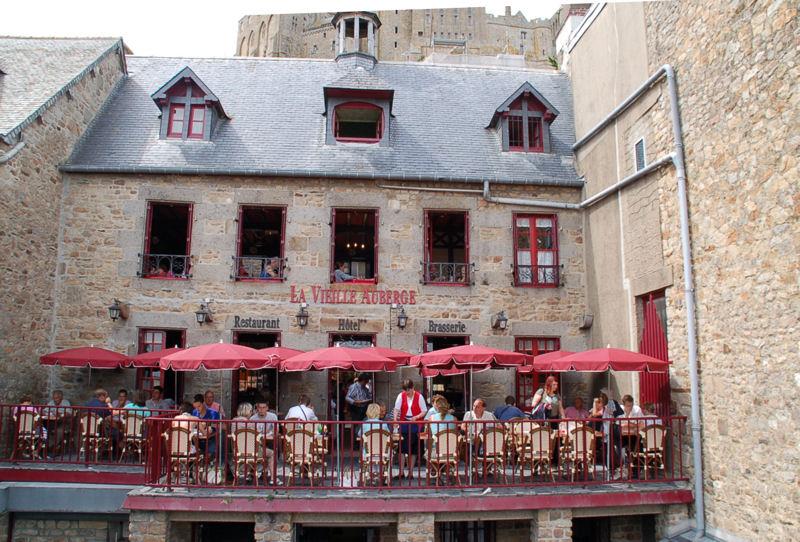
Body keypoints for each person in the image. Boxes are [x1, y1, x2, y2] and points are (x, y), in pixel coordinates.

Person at [393, 379, 427, 479]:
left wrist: (416, 417)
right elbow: (396, 409)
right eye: (405, 390)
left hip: (416, 424)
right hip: (404, 423)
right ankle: (401, 472)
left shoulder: (419, 396)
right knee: (401, 448)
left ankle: (411, 473)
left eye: (408, 390)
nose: (407, 392)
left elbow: (424, 411)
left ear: (413, 388)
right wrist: (395, 420)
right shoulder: (401, 396)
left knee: (413, 449)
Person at [192, 394, 222, 460]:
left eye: (199, 406)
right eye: (195, 407)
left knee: (210, 453)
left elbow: (221, 427)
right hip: (197, 440)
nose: (197, 409)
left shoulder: (213, 413)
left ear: (203, 404)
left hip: (210, 439)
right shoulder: (194, 412)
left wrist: (209, 425)